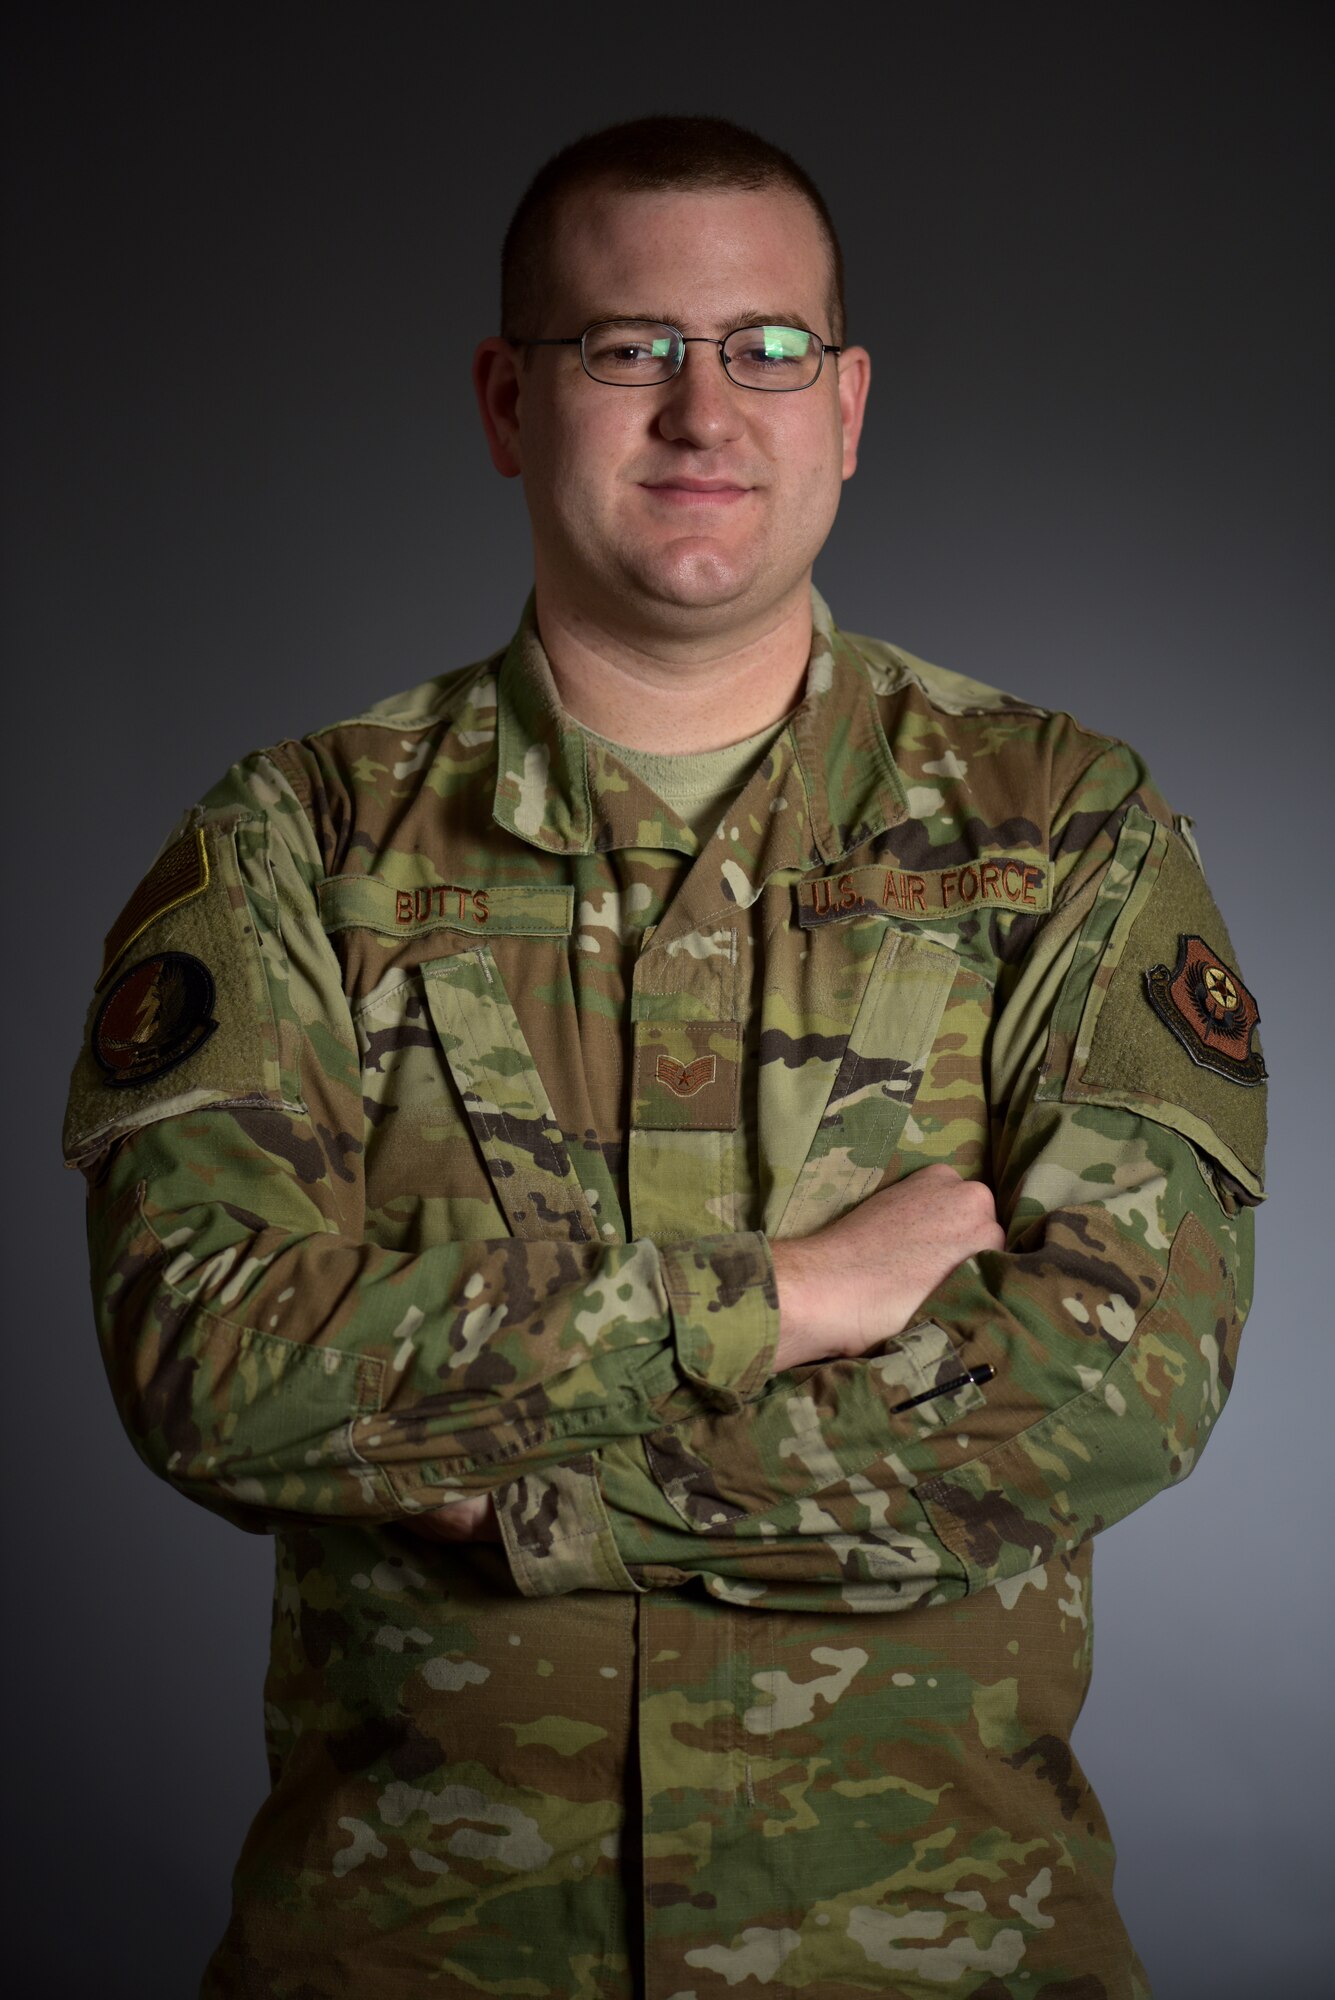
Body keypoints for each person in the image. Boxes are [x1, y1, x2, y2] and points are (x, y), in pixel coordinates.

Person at [64, 116, 1266, 2000]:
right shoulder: (297, 841)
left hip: (940, 1950)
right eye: (629, 347)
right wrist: (778, 1299)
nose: (705, 410)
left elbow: (1125, 1382)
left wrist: (535, 1503)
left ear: (847, 406)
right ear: (506, 398)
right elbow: (209, 1361)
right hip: (413, 1953)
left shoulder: (1063, 826)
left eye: (767, 349)